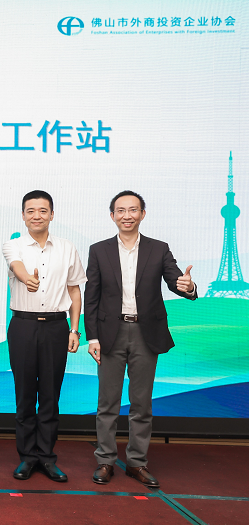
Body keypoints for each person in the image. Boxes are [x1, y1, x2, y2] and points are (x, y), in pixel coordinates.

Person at [85, 191, 197, 488]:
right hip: (110, 334)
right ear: (112, 216)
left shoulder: (159, 249)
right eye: (121, 210)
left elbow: (176, 281)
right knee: (107, 403)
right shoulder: (99, 250)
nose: (127, 215)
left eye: (133, 210)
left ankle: (137, 462)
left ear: (142, 214)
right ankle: (105, 460)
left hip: (146, 333)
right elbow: (91, 297)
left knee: (141, 403)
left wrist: (188, 286)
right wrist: (92, 337)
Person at [2, 191, 86, 482]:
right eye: (30, 211)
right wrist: (28, 279)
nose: (36, 215)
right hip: (23, 327)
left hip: (56, 327)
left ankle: (47, 457)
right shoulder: (13, 245)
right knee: (25, 395)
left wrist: (74, 329)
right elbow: (17, 267)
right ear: (23, 215)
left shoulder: (67, 248)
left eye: (42, 210)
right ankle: (27, 457)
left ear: (52, 214)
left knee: (50, 395)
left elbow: (74, 290)